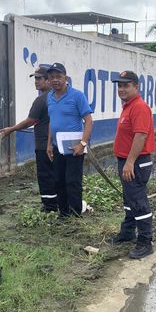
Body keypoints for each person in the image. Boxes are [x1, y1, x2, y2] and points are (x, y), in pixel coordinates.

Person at [110, 71, 155, 259]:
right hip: (127, 161)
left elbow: (141, 136)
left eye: (126, 85)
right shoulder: (128, 106)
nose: (121, 89)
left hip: (136, 163)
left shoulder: (139, 107)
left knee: (138, 203)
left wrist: (129, 162)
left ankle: (145, 241)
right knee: (129, 201)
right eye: (119, 86)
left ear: (136, 87)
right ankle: (128, 232)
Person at [0, 65, 57, 212]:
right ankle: (57, 202)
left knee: (45, 175)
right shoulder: (57, 98)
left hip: (44, 145)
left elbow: (30, 121)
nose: (36, 82)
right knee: (55, 174)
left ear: (49, 80)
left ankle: (49, 206)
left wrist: (11, 129)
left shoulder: (41, 100)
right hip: (56, 144)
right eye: (35, 79)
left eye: (39, 78)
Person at [45, 63, 93, 217]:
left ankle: (75, 215)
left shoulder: (77, 96)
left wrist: (82, 144)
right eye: (52, 77)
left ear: (66, 77)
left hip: (74, 147)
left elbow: (89, 120)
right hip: (57, 147)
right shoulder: (49, 97)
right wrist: (49, 144)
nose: (55, 80)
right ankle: (64, 214)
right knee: (59, 181)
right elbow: (52, 121)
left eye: (58, 76)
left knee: (72, 182)